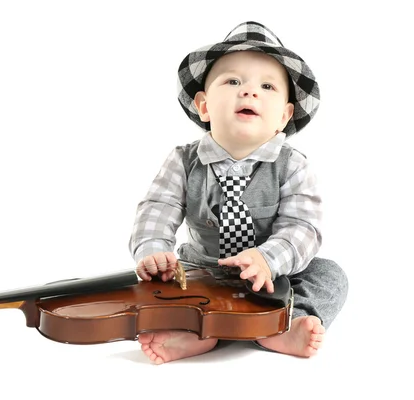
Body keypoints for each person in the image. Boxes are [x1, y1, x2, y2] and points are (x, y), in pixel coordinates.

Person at [128, 21, 348, 365]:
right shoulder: (182, 161)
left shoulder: (292, 166)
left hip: (273, 276)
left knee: (329, 275)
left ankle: (284, 324)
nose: (249, 92)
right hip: (201, 270)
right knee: (160, 285)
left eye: (267, 86)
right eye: (233, 82)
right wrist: (154, 252)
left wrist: (267, 259)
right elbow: (157, 208)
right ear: (203, 105)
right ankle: (194, 331)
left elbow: (303, 228)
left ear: (284, 116)